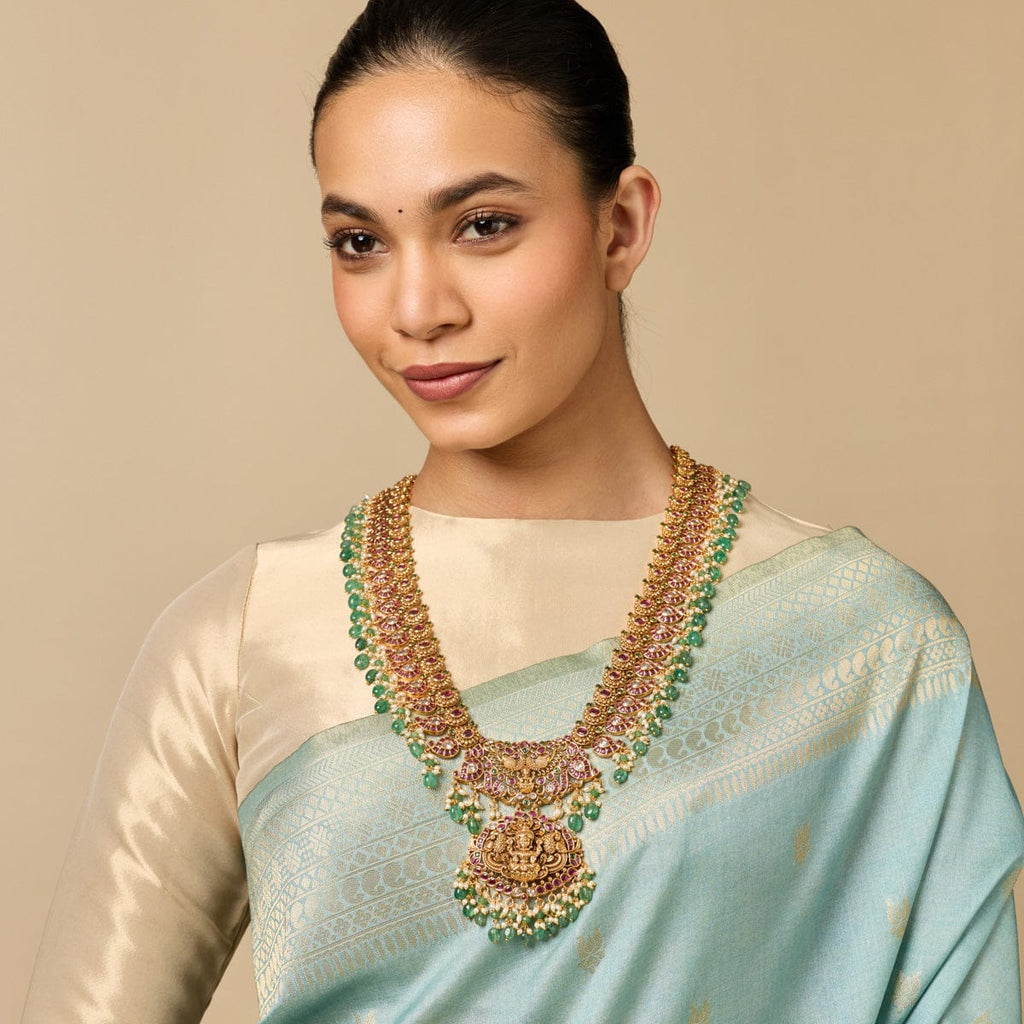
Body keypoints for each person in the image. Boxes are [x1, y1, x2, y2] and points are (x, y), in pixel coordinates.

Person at [22, 0, 1024, 1021]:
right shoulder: (246, 641)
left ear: (620, 226)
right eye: (360, 242)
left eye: (484, 226)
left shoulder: (866, 644)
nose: (418, 310)